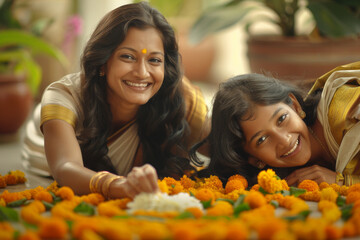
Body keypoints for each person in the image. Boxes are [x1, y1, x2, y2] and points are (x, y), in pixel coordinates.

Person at [21, 2, 209, 199]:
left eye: (154, 60)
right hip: (44, 142)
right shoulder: (64, 96)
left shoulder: (175, 96)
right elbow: (65, 167)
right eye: (128, 57)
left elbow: (226, 143)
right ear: (103, 61)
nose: (142, 73)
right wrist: (116, 185)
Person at [191, 62, 360, 187]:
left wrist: (345, 182)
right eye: (262, 139)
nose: (284, 140)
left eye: (281, 119)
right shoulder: (287, 178)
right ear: (254, 159)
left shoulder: (347, 114)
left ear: (295, 105)